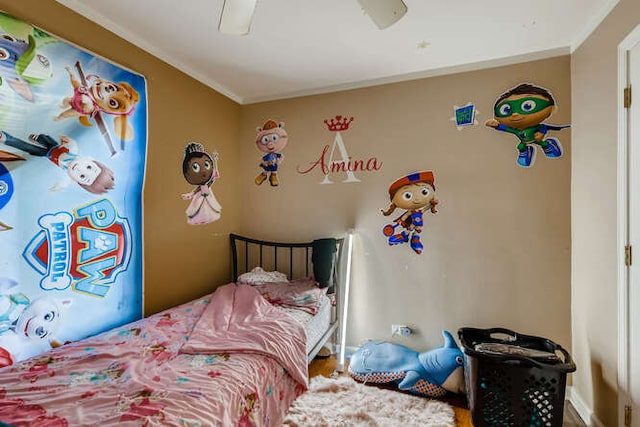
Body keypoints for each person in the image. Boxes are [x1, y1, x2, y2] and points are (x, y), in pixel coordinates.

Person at [485, 83, 570, 168]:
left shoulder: (534, 127)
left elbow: (543, 127)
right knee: (520, 146)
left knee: (542, 143)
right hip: (524, 141)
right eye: (506, 109)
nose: (515, 114)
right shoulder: (516, 130)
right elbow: (506, 128)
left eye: (528, 106)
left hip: (536, 138)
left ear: (552, 108)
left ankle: (549, 145)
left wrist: (541, 134)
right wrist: (496, 125)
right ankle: (526, 152)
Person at [0, 131, 114, 194]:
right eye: (89, 167)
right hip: (54, 146)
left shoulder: (69, 175)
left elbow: (65, 182)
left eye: (83, 176)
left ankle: (6, 138)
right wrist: (68, 141)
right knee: (43, 138)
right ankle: (37, 138)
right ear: (90, 160)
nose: (80, 169)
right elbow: (73, 144)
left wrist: (58, 187)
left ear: (76, 180)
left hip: (47, 154)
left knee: (28, 148)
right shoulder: (73, 153)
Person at [381, 171, 438, 254]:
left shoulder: (420, 211)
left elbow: (426, 208)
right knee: (409, 229)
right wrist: (400, 221)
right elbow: (405, 217)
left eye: (424, 192)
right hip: (413, 223)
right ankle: (404, 236)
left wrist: (432, 205)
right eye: (407, 195)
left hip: (419, 224)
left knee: (417, 231)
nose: (417, 199)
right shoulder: (411, 211)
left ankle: (415, 239)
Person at [181, 142, 221, 225]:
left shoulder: (208, 183)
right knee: (199, 208)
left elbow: (212, 180)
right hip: (200, 197)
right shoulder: (202, 185)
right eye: (195, 167)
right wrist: (191, 194)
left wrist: (215, 161)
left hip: (208, 197)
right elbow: (198, 189)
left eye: (206, 165)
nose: (203, 171)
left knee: (208, 208)